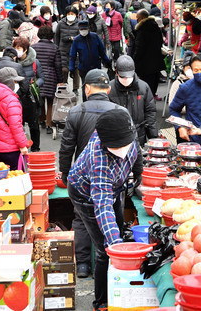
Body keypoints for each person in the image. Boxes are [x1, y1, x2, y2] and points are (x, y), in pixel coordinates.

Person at [59, 69, 142, 281]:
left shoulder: (81, 112)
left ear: (87, 89)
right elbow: (103, 208)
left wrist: (65, 172)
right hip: (88, 181)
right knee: (97, 223)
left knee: (101, 221)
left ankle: (87, 262)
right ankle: (98, 269)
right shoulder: (119, 114)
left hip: (103, 179)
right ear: (108, 89)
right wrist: (115, 248)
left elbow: (67, 146)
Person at [67, 108, 138, 311]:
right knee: (105, 249)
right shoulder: (99, 161)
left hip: (115, 187)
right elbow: (103, 207)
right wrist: (116, 246)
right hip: (86, 194)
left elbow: (137, 152)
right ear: (106, 144)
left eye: (127, 143)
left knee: (116, 232)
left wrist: (138, 172)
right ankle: (102, 302)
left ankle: (118, 288)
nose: (125, 148)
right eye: (119, 146)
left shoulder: (126, 132)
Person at [169, 53, 201, 155]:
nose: (199, 73)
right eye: (196, 71)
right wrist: (179, 127)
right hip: (195, 143)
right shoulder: (185, 88)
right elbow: (174, 109)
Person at [0, 67, 29, 170]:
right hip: (11, 150)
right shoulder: (12, 100)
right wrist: (22, 145)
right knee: (15, 180)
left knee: (0, 181)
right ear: (10, 82)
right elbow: (16, 125)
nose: (17, 84)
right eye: (16, 81)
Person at [108, 56, 157, 145]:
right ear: (117, 72)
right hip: (117, 138)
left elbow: (150, 112)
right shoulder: (109, 89)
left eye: (128, 76)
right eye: (123, 76)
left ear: (134, 70)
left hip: (139, 137)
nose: (126, 79)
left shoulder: (143, 87)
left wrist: (153, 137)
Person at [14, 37, 44, 152]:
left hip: (31, 98)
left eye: (19, 48)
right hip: (18, 97)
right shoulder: (14, 62)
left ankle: (35, 148)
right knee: (18, 124)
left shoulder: (35, 62)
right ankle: (21, 146)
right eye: (15, 48)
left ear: (25, 49)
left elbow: (41, 78)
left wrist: (35, 85)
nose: (17, 51)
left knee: (34, 125)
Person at [32, 26, 62, 134]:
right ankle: (49, 123)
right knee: (50, 102)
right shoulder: (55, 48)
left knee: (39, 100)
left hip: (37, 77)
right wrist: (60, 80)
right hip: (51, 77)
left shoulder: (33, 47)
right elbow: (58, 65)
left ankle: (41, 120)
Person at [130, 9, 164, 99]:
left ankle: (146, 104)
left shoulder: (142, 30)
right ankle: (151, 101)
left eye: (137, 18)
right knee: (153, 84)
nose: (136, 20)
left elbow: (139, 48)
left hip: (144, 63)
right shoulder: (156, 27)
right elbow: (161, 42)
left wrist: (134, 60)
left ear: (141, 18)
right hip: (156, 61)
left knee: (145, 85)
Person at [69, 20, 110, 85]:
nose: (83, 31)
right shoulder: (76, 40)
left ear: (88, 28)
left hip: (96, 67)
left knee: (96, 86)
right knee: (85, 87)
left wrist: (107, 62)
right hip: (83, 68)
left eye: (85, 29)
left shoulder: (95, 37)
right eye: (81, 29)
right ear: (79, 30)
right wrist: (71, 68)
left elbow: (102, 51)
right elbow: (72, 55)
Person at [55, 6, 81, 95]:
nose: (70, 16)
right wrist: (56, 48)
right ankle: (64, 86)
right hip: (63, 50)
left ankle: (75, 88)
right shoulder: (60, 23)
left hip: (75, 51)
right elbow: (57, 36)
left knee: (76, 70)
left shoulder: (79, 24)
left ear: (76, 15)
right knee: (64, 70)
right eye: (69, 14)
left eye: (72, 14)